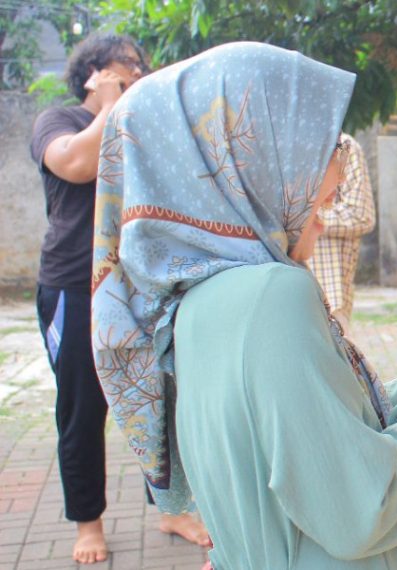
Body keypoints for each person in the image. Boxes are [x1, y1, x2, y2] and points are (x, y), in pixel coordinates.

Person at [90, 42, 397, 569]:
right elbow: (359, 508)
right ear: (246, 156)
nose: (336, 168)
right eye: (320, 142)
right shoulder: (272, 296)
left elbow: (309, 436)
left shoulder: (194, 307)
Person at [28, 32, 208, 565]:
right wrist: (108, 104)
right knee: (83, 409)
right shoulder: (58, 121)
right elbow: (79, 166)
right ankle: (88, 522)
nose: (138, 70)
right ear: (95, 71)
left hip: (138, 282)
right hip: (74, 283)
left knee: (162, 395)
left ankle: (171, 507)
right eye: (128, 64)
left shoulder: (140, 124)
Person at [307, 132, 376, 333]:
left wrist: (306, 216)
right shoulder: (271, 141)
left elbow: (361, 215)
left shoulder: (343, 145)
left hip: (331, 291)